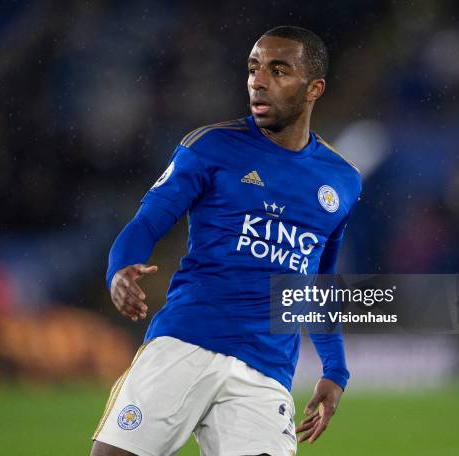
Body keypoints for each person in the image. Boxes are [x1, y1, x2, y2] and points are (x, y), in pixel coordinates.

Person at [91, 25, 361, 456]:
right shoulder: (211, 146)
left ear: (314, 88)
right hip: (186, 341)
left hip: (266, 370)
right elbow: (147, 223)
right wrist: (120, 269)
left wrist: (335, 369)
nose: (259, 80)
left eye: (279, 70)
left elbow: (317, 280)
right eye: (254, 68)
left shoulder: (342, 181)